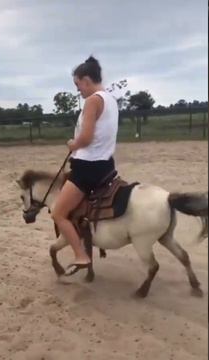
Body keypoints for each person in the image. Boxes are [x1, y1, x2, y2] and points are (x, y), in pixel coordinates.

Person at [51, 55, 119, 276]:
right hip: (107, 164)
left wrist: (73, 143)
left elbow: (86, 138)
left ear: (86, 80)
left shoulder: (92, 101)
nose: (78, 89)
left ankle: (81, 255)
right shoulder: (110, 99)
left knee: (58, 214)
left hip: (87, 168)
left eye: (77, 84)